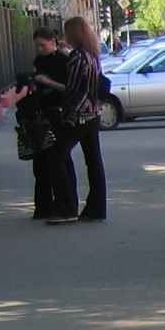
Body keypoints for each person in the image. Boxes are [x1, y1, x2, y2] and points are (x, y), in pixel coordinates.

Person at [26, 27, 78, 222]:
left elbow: (68, 89)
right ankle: (44, 205)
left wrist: (47, 82)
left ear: (53, 41)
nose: (39, 49)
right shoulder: (39, 61)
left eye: (43, 45)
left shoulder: (63, 61)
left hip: (58, 113)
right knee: (41, 163)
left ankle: (64, 203)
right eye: (37, 46)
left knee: (59, 160)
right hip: (41, 113)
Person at [60, 16, 107, 221]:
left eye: (66, 32)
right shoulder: (92, 55)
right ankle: (97, 208)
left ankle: (67, 205)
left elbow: (72, 89)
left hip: (80, 115)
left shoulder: (77, 57)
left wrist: (66, 112)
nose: (64, 36)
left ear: (73, 34)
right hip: (93, 113)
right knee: (94, 161)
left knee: (58, 153)